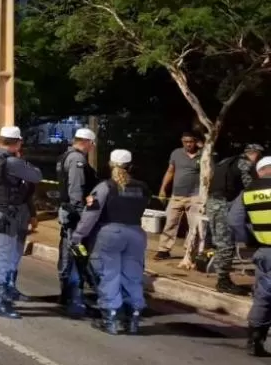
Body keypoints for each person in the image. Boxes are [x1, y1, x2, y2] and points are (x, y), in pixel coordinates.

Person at [71, 149, 150, 335]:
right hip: (136, 235)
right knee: (133, 277)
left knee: (109, 275)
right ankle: (133, 319)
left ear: (110, 165)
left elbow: (91, 215)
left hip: (110, 234)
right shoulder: (143, 187)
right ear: (131, 166)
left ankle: (111, 319)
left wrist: (78, 236)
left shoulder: (105, 187)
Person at [0, 126, 44, 319]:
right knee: (3, 258)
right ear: (17, 143)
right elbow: (37, 175)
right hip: (6, 216)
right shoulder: (12, 162)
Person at [227, 156, 271, 356]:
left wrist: (249, 240)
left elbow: (234, 220)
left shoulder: (248, 192)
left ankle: (255, 341)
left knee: (263, 297)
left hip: (265, 251)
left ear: (260, 171)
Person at [209, 143, 263, 295]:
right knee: (226, 245)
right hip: (223, 205)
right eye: (258, 157)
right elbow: (251, 188)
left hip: (213, 203)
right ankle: (223, 282)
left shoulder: (226, 161)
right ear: (255, 154)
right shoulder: (245, 163)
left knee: (221, 243)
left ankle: (222, 279)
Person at [55, 127, 98, 317]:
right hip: (74, 214)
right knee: (75, 255)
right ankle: (73, 298)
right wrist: (80, 214)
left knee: (68, 252)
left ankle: (68, 295)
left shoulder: (66, 156)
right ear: (87, 142)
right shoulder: (77, 159)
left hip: (68, 212)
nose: (92, 148)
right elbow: (76, 189)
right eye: (92, 144)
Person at [155, 132, 204, 262]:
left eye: (191, 141)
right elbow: (170, 171)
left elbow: (211, 167)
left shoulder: (203, 154)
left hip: (195, 196)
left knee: (194, 226)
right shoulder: (176, 153)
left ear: (196, 142)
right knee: (170, 222)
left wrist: (203, 147)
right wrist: (163, 188)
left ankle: (190, 252)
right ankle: (163, 250)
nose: (188, 144)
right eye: (185, 141)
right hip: (177, 195)